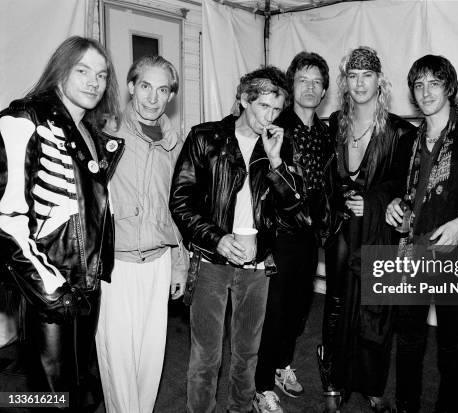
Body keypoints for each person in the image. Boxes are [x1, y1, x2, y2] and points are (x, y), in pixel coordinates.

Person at [170, 66, 304, 413]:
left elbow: (293, 207)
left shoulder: (278, 145)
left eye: (277, 109)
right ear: (244, 99)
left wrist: (276, 161)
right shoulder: (205, 138)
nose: (270, 116)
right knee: (206, 355)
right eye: (263, 106)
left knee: (247, 352)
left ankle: (240, 408)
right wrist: (215, 238)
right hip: (212, 262)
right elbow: (180, 201)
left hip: (257, 267)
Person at [0, 36, 123, 409]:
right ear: (59, 71)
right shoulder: (23, 119)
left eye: (101, 75)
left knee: (79, 387)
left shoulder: (89, 133)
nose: (94, 82)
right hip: (49, 286)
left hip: (85, 283)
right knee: (49, 395)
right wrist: (50, 288)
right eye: (82, 70)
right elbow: (6, 220)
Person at [384, 55, 458, 413]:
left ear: (450, 87)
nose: (425, 92)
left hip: (456, 255)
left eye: (434, 83)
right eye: (418, 84)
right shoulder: (408, 139)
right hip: (412, 252)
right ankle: (406, 405)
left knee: (453, 344)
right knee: (408, 339)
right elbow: (397, 184)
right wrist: (394, 202)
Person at [321, 46, 415, 412]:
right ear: (345, 82)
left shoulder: (399, 131)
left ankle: (373, 383)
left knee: (375, 307)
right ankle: (339, 376)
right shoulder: (335, 124)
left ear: (379, 80)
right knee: (338, 304)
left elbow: (402, 181)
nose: (359, 83)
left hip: (378, 232)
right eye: (352, 76)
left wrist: (373, 200)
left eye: (367, 75)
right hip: (342, 230)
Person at [95, 55, 188, 413]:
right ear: (132, 87)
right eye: (146, 86)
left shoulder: (175, 143)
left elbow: (177, 209)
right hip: (116, 262)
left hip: (159, 259)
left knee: (151, 354)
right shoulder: (106, 134)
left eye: (162, 89)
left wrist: (179, 262)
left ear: (170, 96)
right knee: (117, 355)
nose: (153, 97)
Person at [253, 52, 334, 413]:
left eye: (317, 81)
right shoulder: (276, 126)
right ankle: (261, 385)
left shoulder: (327, 132)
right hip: (281, 231)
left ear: (324, 89)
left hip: (310, 235)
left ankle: (282, 364)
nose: (310, 87)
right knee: (275, 310)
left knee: (300, 308)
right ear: (292, 84)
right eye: (303, 80)